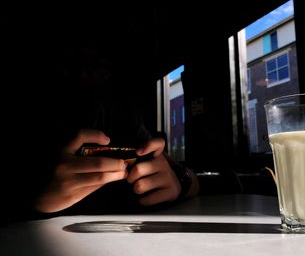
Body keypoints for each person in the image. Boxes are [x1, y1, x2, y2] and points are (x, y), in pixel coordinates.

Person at [24, 41, 200, 219]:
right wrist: (33, 201)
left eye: (96, 66)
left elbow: (188, 177)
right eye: (71, 65)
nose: (84, 75)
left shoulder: (121, 114)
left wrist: (179, 182)